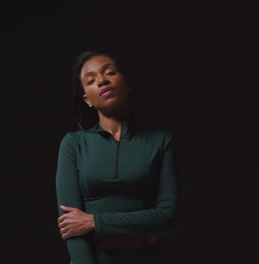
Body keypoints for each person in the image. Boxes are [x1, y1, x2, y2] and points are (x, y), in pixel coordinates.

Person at [55, 48, 180, 264]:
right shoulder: (74, 144)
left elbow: (168, 216)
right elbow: (71, 226)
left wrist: (95, 221)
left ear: (127, 83)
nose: (102, 81)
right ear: (87, 99)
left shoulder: (159, 141)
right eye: (91, 80)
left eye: (110, 73)